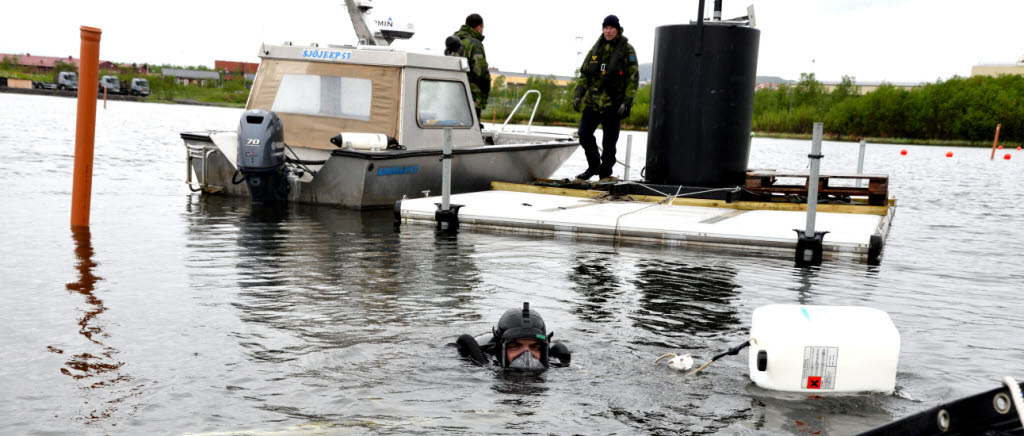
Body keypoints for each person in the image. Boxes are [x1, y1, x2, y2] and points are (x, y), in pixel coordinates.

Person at [572, 15, 639, 182]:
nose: (608, 31)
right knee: (584, 134)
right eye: (606, 28)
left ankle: (605, 173)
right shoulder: (595, 49)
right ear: (603, 29)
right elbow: (585, 75)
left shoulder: (627, 49)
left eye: (612, 28)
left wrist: (626, 101)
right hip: (593, 102)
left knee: (609, 142)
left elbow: (633, 78)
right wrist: (578, 95)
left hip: (614, 103)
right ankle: (593, 166)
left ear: (617, 29)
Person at [455, 302, 571, 371]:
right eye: (515, 346)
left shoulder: (554, 362)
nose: (526, 357)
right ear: (500, 349)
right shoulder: (484, 358)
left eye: (534, 347)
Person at [449, 13, 491, 127]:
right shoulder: (475, 44)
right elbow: (481, 72)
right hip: (471, 97)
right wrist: (486, 91)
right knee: (472, 130)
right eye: (482, 28)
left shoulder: (452, 43)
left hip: (451, 96)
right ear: (478, 27)